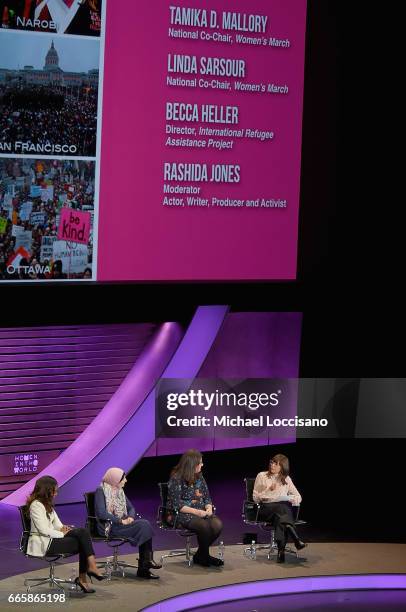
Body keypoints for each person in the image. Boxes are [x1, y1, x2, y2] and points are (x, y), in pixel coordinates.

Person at [27, 475, 106, 594]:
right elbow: (43, 530)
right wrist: (62, 534)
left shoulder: (48, 505)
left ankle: (87, 572)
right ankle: (87, 572)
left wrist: (63, 528)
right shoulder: (36, 505)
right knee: (82, 539)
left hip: (53, 538)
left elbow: (59, 525)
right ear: (47, 491)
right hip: (44, 543)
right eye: (54, 491)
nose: (56, 494)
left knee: (82, 535)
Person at [94, 467, 161, 579]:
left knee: (144, 524)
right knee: (144, 525)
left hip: (121, 524)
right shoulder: (101, 491)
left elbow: (131, 508)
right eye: (123, 478)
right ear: (115, 479)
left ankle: (146, 563)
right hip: (108, 527)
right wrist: (120, 520)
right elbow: (101, 513)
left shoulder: (119, 491)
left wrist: (130, 517)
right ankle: (144, 566)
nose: (125, 480)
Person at [167, 449, 223, 567]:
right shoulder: (176, 478)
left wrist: (209, 508)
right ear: (192, 464)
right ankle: (204, 557)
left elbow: (206, 497)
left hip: (200, 511)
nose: (202, 465)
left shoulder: (199, 477)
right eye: (200, 463)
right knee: (204, 526)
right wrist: (198, 512)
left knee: (217, 525)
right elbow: (177, 505)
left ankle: (201, 555)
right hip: (179, 513)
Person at [253, 454, 307, 563]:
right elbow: (255, 498)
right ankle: (295, 540)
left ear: (282, 467)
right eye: (272, 462)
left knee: (281, 517)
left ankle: (281, 553)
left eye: (276, 464)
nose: (272, 465)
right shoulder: (262, 476)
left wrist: (292, 499)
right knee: (283, 510)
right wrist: (269, 490)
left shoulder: (286, 479)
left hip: (279, 512)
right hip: (264, 509)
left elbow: (298, 496)